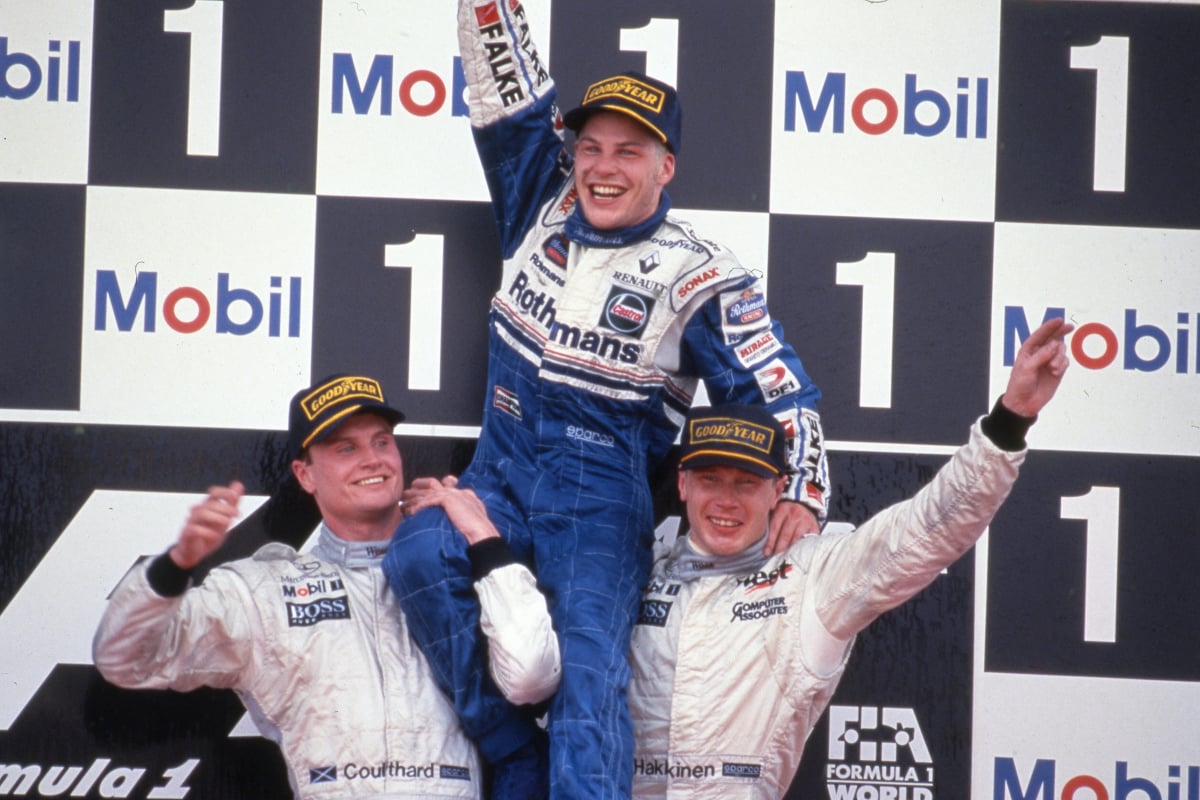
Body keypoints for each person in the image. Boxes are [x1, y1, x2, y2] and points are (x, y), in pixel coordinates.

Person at [383, 1, 830, 797]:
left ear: (667, 168)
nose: (603, 167)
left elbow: (775, 385)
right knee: (417, 553)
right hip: (501, 467)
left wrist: (802, 485)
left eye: (630, 151)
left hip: (600, 501)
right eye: (589, 146)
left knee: (589, 682)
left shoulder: (700, 273)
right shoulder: (539, 201)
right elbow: (506, 95)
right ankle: (514, 753)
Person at [625, 317, 1075, 799]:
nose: (726, 501)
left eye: (747, 483)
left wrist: (1010, 421)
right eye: (710, 479)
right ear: (683, 484)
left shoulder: (810, 577)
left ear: (779, 489)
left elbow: (927, 529)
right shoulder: (629, 574)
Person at [92, 374, 560, 800]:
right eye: (345, 449)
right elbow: (126, 659)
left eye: (382, 441)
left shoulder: (461, 566)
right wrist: (177, 565)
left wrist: (476, 539)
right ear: (305, 474)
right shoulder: (264, 591)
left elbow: (537, 676)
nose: (372, 459)